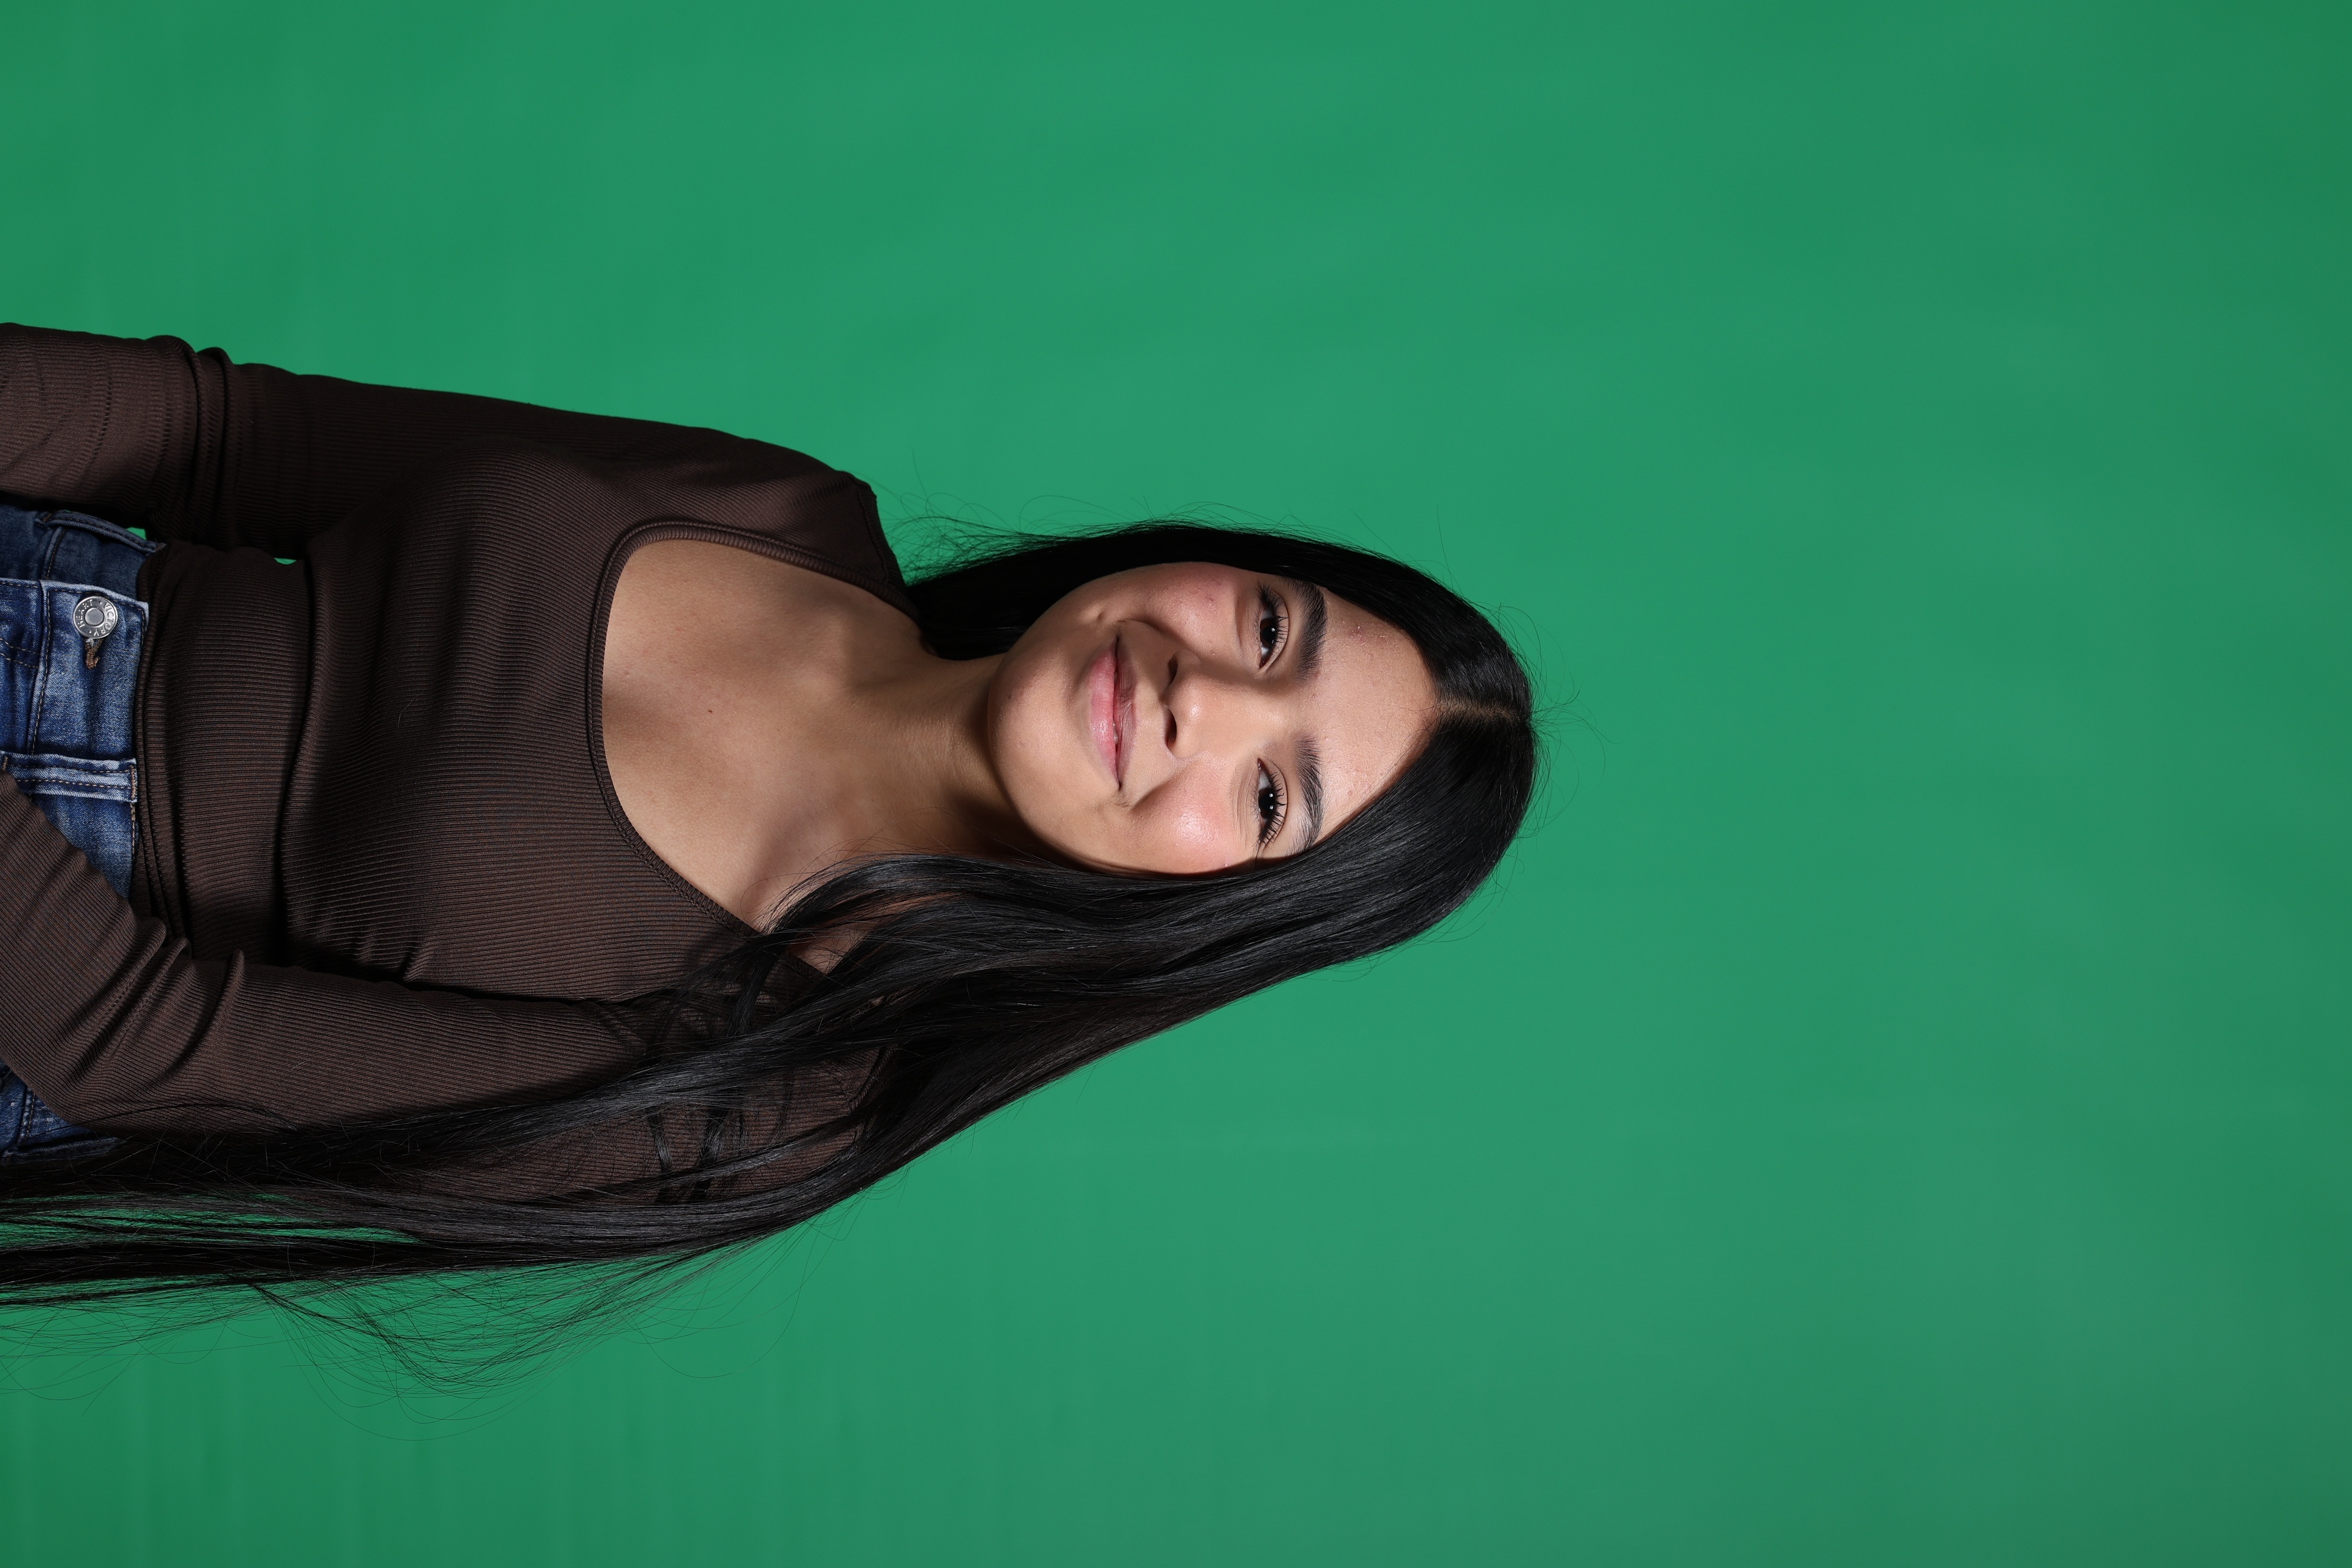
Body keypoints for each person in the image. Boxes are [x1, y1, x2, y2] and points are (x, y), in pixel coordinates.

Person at [0, 324, 1536, 1318]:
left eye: (1270, 794)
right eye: (1269, 627)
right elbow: (224, 432)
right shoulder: (797, 513)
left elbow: (130, 1043)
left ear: (1220, 909)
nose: (1207, 695)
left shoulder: (774, 1090)